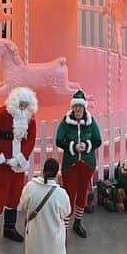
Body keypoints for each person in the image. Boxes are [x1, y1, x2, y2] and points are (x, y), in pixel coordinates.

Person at [0, 86, 38, 251]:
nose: (22, 107)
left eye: (25, 104)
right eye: (20, 103)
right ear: (15, 101)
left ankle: (9, 228)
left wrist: (20, 158)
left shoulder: (30, 119)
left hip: (18, 166)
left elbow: (30, 140)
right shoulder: (1, 114)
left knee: (14, 197)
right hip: (2, 166)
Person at [54, 89, 101, 237]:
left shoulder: (90, 122)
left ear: (84, 107)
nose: (78, 109)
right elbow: (59, 140)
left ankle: (78, 223)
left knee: (82, 194)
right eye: (76, 107)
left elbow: (97, 140)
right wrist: (73, 146)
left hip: (87, 164)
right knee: (69, 195)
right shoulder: (66, 122)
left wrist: (86, 146)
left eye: (80, 107)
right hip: (71, 165)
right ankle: (64, 227)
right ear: (72, 108)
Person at [19, 156, 71, 254]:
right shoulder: (61, 194)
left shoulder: (30, 187)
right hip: (54, 239)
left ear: (43, 170)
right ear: (57, 173)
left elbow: (23, 205)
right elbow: (66, 212)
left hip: (34, 236)